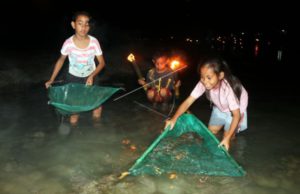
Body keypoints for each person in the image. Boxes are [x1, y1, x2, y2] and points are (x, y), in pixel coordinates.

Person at [165, 56, 248, 150]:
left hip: (236, 109)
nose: (205, 81)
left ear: (220, 76)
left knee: (227, 138)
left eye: (209, 78)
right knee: (210, 132)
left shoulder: (227, 89)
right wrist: (174, 119)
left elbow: (236, 115)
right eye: (202, 77)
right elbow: (188, 101)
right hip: (221, 106)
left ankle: (231, 139)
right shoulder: (203, 83)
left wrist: (228, 138)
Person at [45, 11, 105, 126]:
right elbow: (61, 60)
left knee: (97, 106)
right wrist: (51, 79)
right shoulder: (68, 43)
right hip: (73, 78)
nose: (84, 27)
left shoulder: (94, 42)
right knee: (74, 111)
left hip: (91, 77)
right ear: (73, 25)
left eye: (87, 24)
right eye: (80, 23)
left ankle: (98, 131)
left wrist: (92, 75)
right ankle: (74, 134)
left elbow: (102, 63)